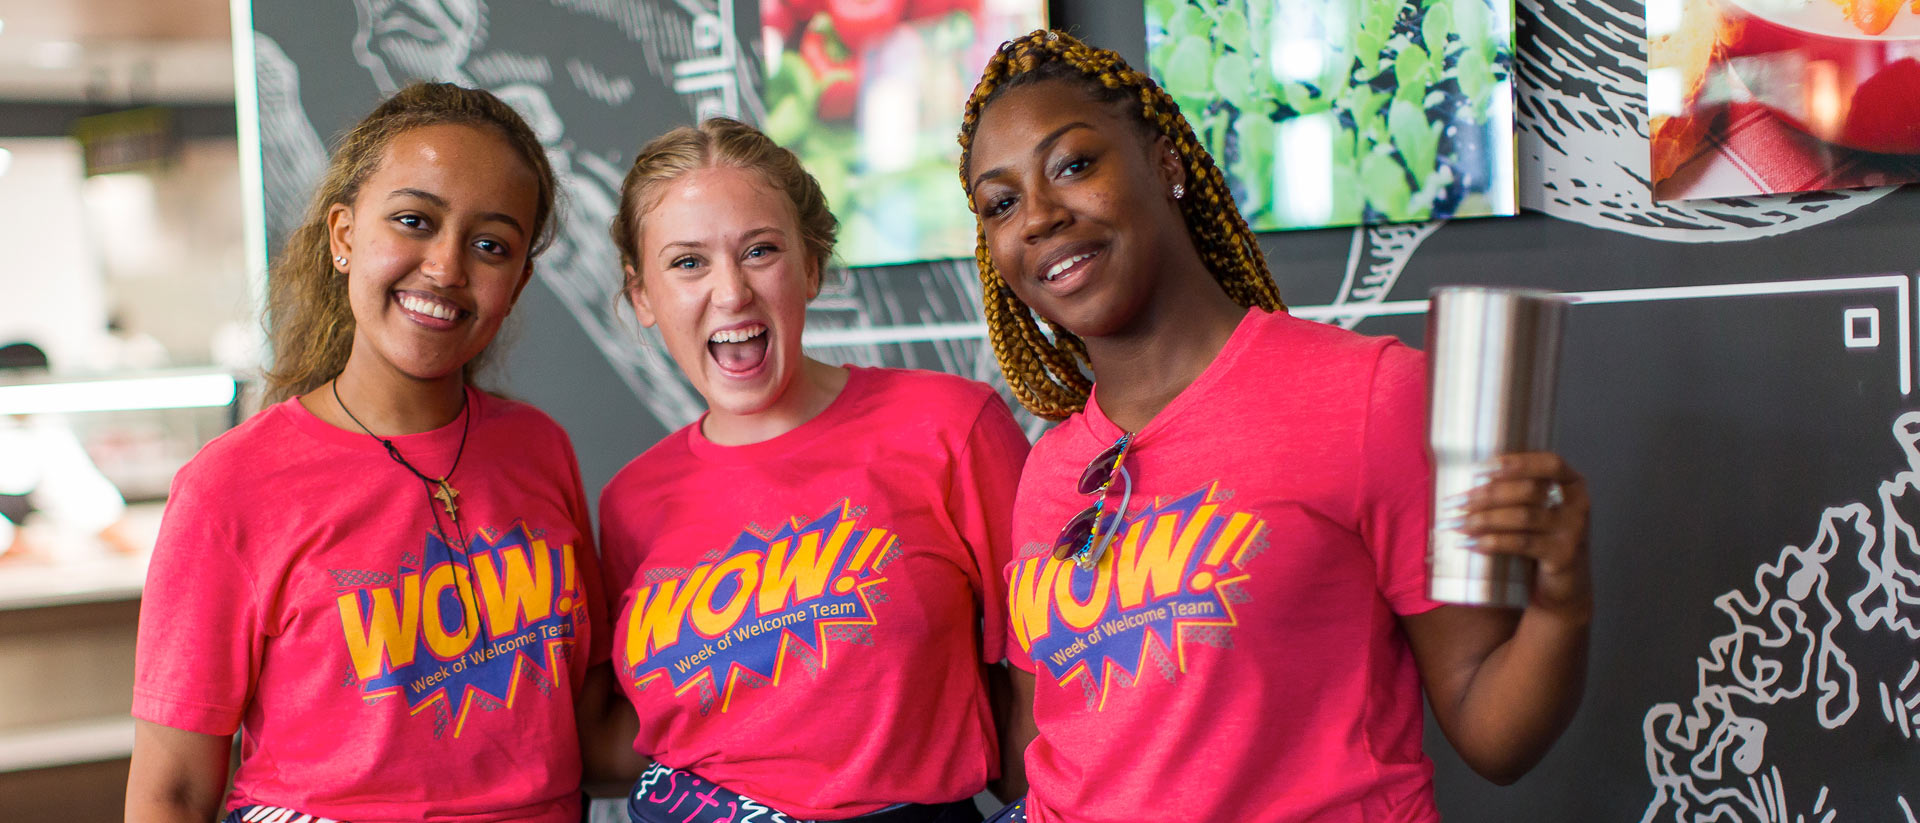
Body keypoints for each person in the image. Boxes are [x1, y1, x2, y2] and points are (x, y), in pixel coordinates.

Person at [957, 31, 1592, 823]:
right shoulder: (1049, 473)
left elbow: (1494, 730)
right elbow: (1038, 751)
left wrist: (1562, 601)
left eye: (1075, 164)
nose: (1041, 216)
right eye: (1001, 203)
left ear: (1167, 162)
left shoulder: (1369, 395)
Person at [126, 82, 605, 823]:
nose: (446, 267)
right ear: (344, 235)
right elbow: (173, 792)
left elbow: (589, 725)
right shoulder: (231, 486)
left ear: (519, 280)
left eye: (490, 245)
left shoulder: (540, 449)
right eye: (414, 220)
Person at [580, 117, 1032, 823]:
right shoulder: (630, 501)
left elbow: (1052, 688)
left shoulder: (952, 428)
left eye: (759, 250)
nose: (730, 294)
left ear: (811, 266)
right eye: (688, 262)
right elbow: (625, 737)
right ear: (642, 296)